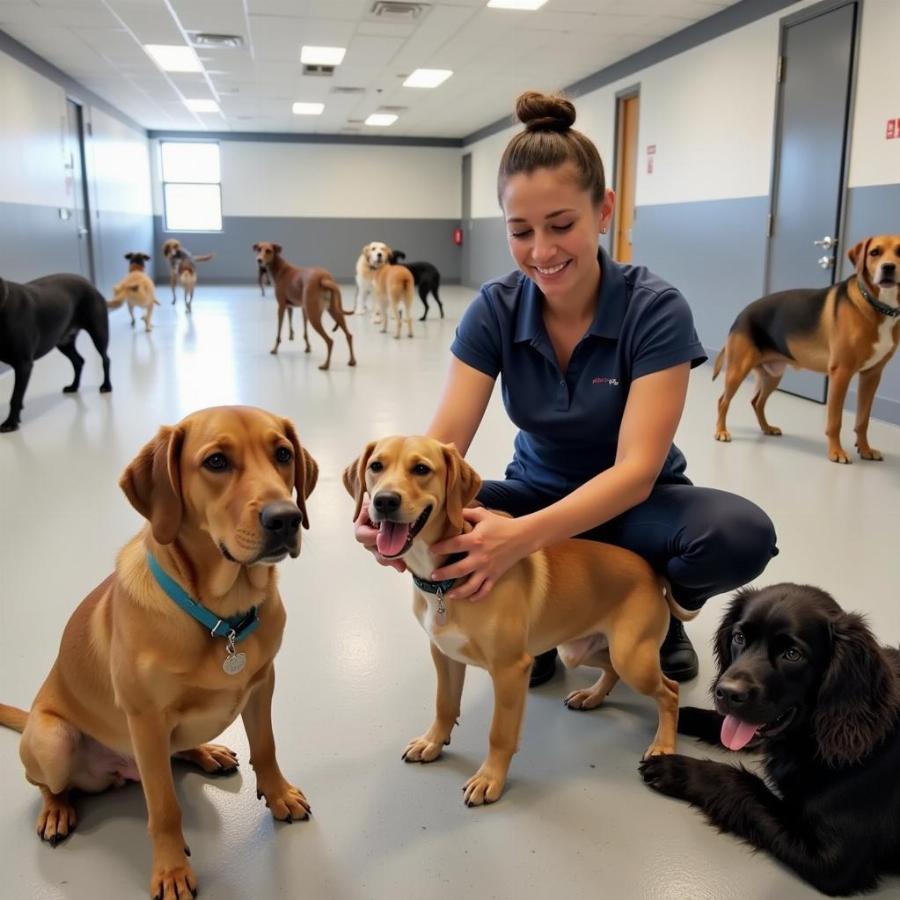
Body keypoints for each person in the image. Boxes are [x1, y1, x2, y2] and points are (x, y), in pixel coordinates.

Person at [353, 90, 778, 685]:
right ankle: (541, 621)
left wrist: (520, 540)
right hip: (536, 491)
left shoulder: (655, 310)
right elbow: (439, 448)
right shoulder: (494, 310)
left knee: (739, 535)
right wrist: (384, 511)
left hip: (637, 506)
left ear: (603, 211)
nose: (542, 251)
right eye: (520, 231)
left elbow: (634, 471)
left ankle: (656, 608)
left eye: (561, 225)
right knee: (444, 516)